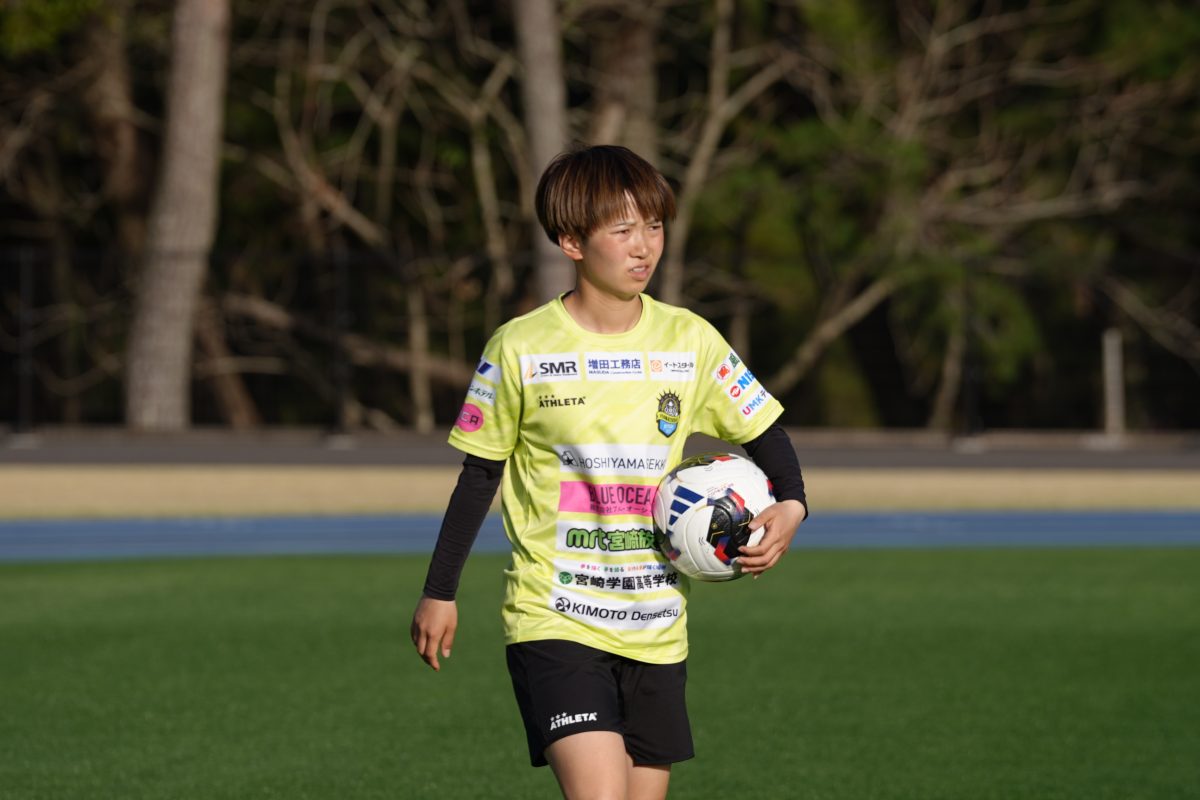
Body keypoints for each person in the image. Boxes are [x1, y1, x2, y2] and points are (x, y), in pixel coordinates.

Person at [411, 144, 807, 800]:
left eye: (653, 226)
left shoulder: (690, 340)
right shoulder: (520, 347)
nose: (644, 246)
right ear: (571, 241)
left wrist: (792, 504)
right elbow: (479, 476)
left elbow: (766, 434)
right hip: (555, 617)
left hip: (656, 624)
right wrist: (440, 590)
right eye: (622, 230)